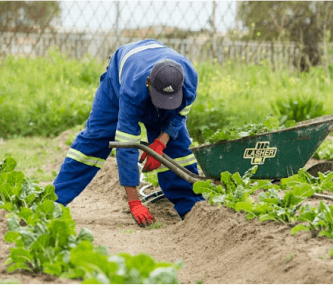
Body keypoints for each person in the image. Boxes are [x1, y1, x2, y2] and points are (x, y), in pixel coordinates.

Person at [53, 39, 205, 227]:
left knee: (177, 146)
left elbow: (180, 114)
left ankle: (191, 207)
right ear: (148, 83)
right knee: (96, 139)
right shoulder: (133, 90)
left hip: (156, 77)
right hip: (117, 83)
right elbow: (127, 145)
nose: (163, 106)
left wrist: (161, 141)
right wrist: (134, 200)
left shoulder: (189, 79)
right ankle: (55, 201)